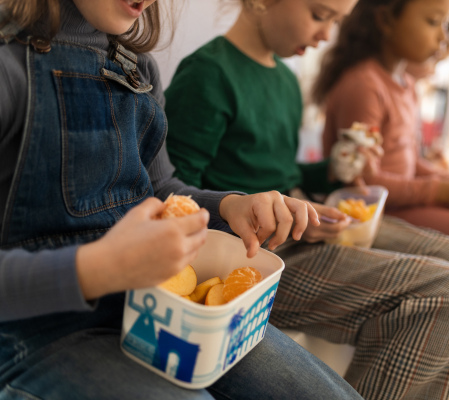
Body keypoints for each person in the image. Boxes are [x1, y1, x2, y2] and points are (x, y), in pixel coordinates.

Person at [0, 1, 367, 399]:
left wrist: (230, 205)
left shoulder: (136, 68)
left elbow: (160, 189)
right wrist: (97, 269)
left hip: (154, 310)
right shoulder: (9, 67)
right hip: (36, 337)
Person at [164, 0, 449, 398]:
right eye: (319, 15)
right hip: (259, 255)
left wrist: (334, 172)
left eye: (337, 21)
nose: (326, 34)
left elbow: (284, 174)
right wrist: (267, 212)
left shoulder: (284, 78)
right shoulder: (208, 75)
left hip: (303, 227)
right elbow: (177, 195)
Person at [315, 0, 449, 289]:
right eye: (432, 22)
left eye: (444, 24)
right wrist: (442, 190)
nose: (443, 36)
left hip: (405, 196)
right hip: (379, 208)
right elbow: (362, 181)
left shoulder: (405, 85)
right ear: (387, 21)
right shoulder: (364, 86)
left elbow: (411, 162)